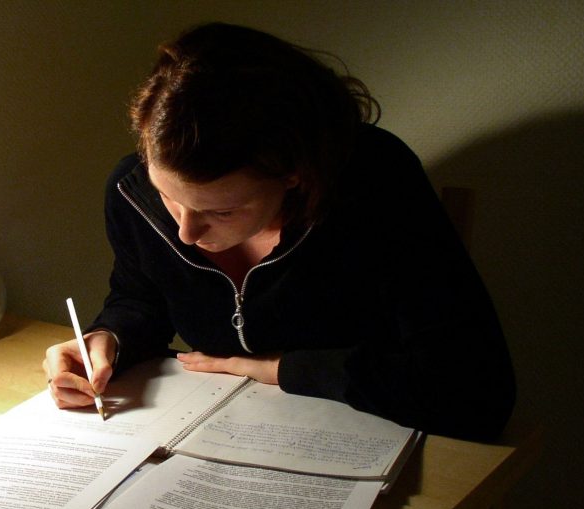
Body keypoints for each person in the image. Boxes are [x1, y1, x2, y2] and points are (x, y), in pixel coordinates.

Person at [43, 22, 515, 440]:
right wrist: (109, 338)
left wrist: (283, 370)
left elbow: (474, 392)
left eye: (221, 212)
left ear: (293, 173)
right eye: (170, 197)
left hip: (364, 449)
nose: (186, 232)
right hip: (213, 438)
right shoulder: (132, 194)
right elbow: (142, 298)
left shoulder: (375, 186)